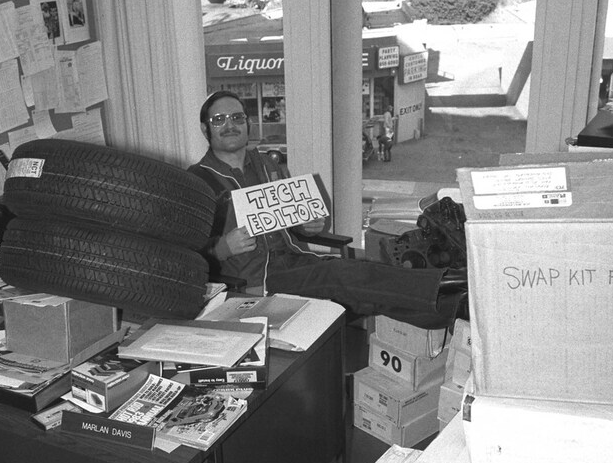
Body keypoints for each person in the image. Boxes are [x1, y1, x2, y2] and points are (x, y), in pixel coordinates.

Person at [187, 91, 466, 329]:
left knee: (364, 292)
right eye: (219, 120)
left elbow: (287, 219)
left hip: (296, 258)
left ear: (247, 123)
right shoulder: (197, 181)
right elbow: (187, 253)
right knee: (340, 275)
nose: (230, 125)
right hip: (255, 280)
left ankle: (457, 310)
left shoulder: (267, 165)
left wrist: (306, 226)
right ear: (205, 129)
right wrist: (224, 246)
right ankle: (447, 289)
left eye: (237, 118)